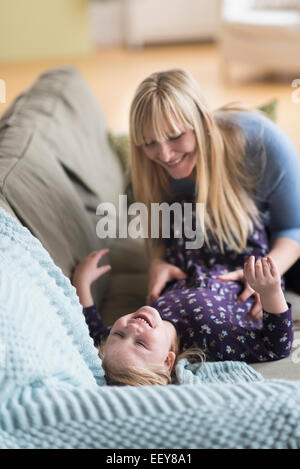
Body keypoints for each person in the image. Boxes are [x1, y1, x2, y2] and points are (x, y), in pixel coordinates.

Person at [129, 69, 300, 312]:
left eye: (175, 136)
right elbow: (162, 234)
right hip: (210, 261)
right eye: (149, 142)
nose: (165, 155)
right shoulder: (144, 171)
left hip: (275, 246)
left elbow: (292, 228)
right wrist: (157, 261)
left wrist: (264, 276)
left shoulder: (265, 144)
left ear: (205, 122)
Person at [72, 222, 294, 386]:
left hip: (188, 261)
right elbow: (276, 346)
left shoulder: (117, 346)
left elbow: (92, 332)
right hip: (241, 262)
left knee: (178, 216)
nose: (132, 329)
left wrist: (81, 282)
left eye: (118, 335)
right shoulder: (211, 338)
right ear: (168, 362)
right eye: (140, 343)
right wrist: (270, 291)